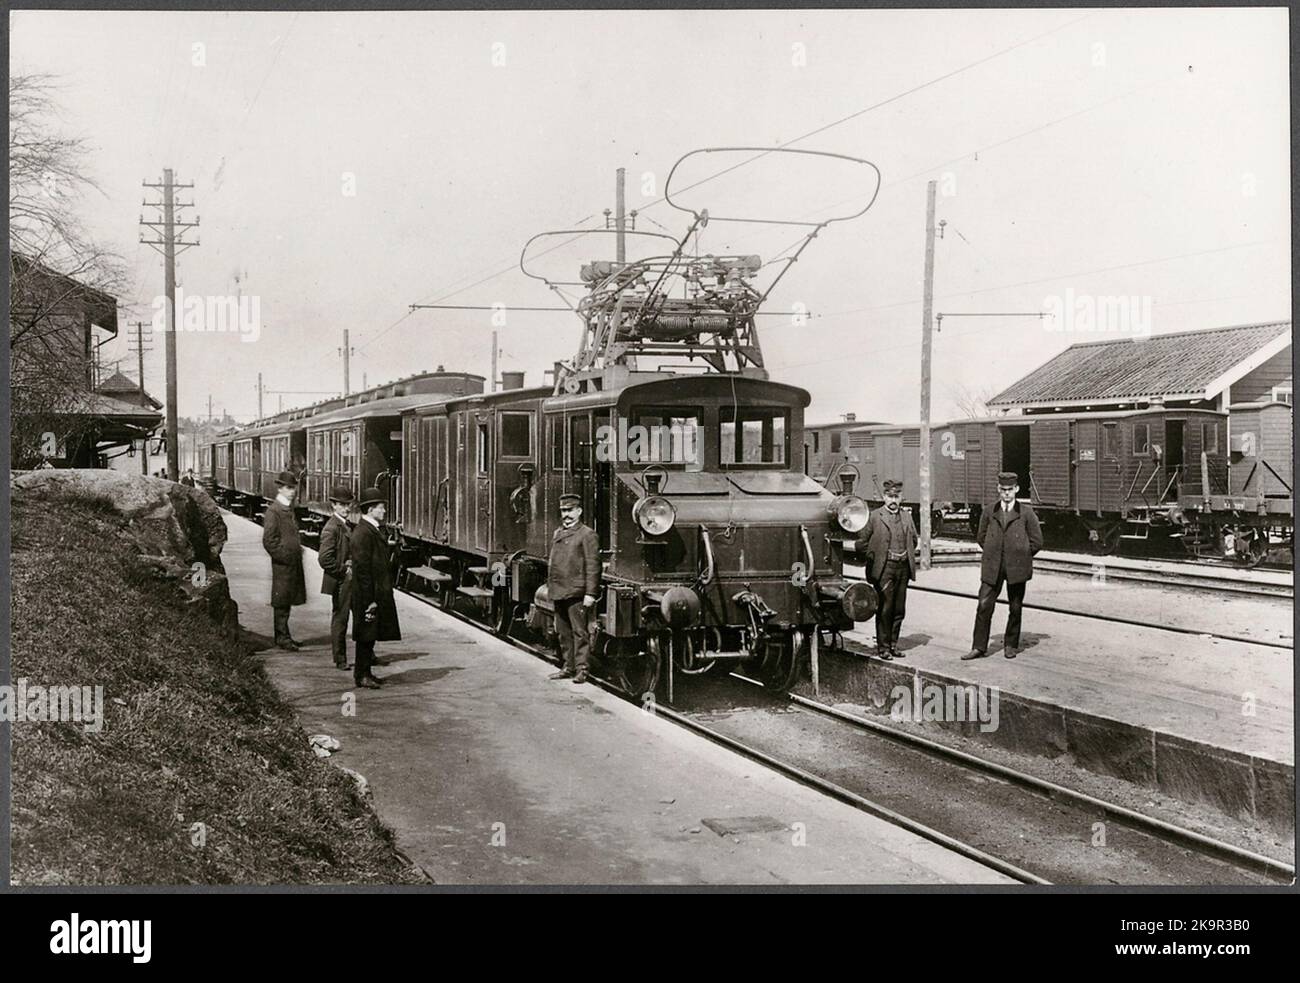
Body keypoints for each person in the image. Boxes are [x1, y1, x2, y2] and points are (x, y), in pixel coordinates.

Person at [965, 471, 1043, 661]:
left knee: (1015, 608)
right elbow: (981, 536)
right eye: (1003, 490)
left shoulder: (1026, 513)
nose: (1006, 493)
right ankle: (978, 647)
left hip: (1016, 568)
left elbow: (1037, 541)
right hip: (993, 567)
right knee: (984, 605)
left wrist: (1021, 555)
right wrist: (994, 553)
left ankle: (1010, 645)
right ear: (998, 489)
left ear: (1016, 489)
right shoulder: (989, 511)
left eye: (1010, 490)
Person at [855, 478, 916, 660]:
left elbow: (913, 540)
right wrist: (874, 557)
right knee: (885, 608)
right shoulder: (875, 517)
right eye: (889, 496)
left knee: (899, 609)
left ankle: (894, 644)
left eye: (896, 496)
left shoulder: (907, 516)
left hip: (903, 567)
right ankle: (883, 647)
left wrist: (906, 555)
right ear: (884, 496)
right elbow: (861, 544)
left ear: (901, 497)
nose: (893, 500)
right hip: (884, 569)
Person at [351, 487, 401, 689]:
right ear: (371, 509)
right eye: (381, 507)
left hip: (373, 593)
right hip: (367, 595)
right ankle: (361, 675)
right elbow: (362, 570)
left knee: (369, 635)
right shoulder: (364, 532)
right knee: (365, 636)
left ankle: (366, 673)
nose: (384, 511)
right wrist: (370, 599)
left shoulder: (370, 530)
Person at [547, 493, 599, 684]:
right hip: (559, 590)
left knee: (580, 633)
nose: (566, 515)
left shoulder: (587, 534)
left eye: (570, 510)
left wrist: (590, 593)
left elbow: (593, 566)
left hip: (576, 591)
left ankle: (582, 670)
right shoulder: (558, 533)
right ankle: (568, 667)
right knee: (563, 632)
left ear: (579, 511)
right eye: (563, 510)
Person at [262, 470, 307, 650]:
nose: (293, 491)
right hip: (283, 565)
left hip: (291, 563)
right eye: (289, 488)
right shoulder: (274, 511)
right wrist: (285, 556)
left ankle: (285, 635)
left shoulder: (288, 507)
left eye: (293, 487)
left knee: (287, 599)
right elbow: (269, 541)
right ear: (280, 489)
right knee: (281, 601)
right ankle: (281, 637)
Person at [318, 484, 355, 671]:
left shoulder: (345, 524)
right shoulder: (331, 527)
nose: (347, 508)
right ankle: (340, 659)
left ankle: (367, 654)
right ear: (334, 505)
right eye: (342, 504)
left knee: (361, 618)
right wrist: (343, 570)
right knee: (341, 620)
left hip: (349, 581)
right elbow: (324, 559)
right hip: (341, 582)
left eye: (348, 504)